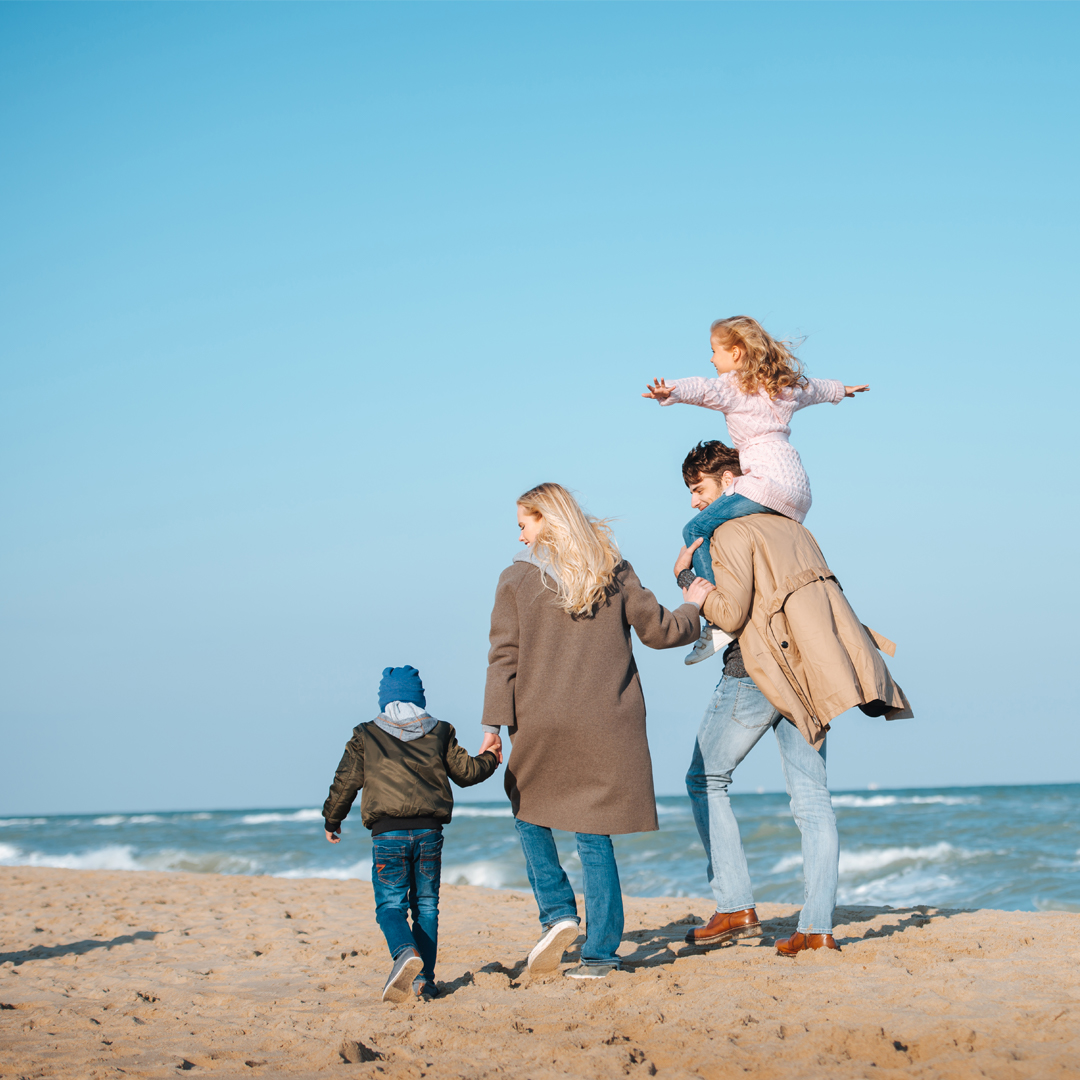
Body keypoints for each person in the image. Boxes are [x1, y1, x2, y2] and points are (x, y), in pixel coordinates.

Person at [674, 442, 912, 956]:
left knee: (704, 779)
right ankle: (817, 928)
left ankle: (735, 903)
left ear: (730, 482)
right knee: (812, 801)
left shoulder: (729, 529)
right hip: (809, 676)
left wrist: (687, 579)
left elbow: (733, 613)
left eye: (700, 490)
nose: (695, 503)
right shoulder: (796, 527)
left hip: (757, 671)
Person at [479, 483, 712, 979]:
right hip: (608, 721)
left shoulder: (516, 580)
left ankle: (559, 913)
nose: (521, 538)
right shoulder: (615, 571)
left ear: (546, 519)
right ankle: (600, 954)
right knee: (593, 833)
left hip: (542, 719)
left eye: (524, 525)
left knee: (527, 810)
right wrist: (694, 604)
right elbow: (661, 632)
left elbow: (504, 657)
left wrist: (493, 725)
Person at [643, 315, 868, 664]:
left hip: (763, 483)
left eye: (714, 351)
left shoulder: (734, 387)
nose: (712, 359)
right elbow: (816, 389)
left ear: (735, 353)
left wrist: (669, 389)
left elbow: (703, 389)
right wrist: (844, 389)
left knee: (695, 528)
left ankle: (716, 619)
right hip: (797, 490)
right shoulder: (783, 387)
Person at [322, 665, 499, 1002]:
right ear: (420, 698)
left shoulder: (366, 735)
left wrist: (332, 820)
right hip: (429, 832)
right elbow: (466, 772)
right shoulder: (440, 731)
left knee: (390, 906)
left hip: (387, 833)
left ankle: (404, 952)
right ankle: (425, 983)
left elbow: (345, 782)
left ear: (384, 700)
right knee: (427, 906)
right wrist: (490, 758)